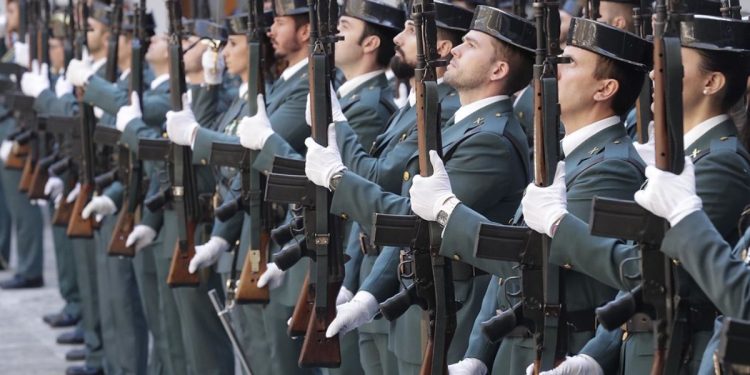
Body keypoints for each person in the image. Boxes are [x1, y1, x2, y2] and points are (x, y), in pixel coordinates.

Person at [412, 16, 652, 374]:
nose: (551, 72)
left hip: (559, 348)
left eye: (567, 62)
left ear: (604, 89)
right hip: (518, 343)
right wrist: (479, 352)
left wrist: (448, 210)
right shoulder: (563, 156)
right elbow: (509, 264)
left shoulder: (611, 167)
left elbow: (533, 261)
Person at [520, 14, 750, 375]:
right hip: (642, 346)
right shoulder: (686, 159)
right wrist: (595, 356)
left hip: (681, 351)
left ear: (712, 82)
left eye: (672, 64)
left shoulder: (721, 163)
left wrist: (559, 224)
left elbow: (663, 274)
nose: (656, 75)